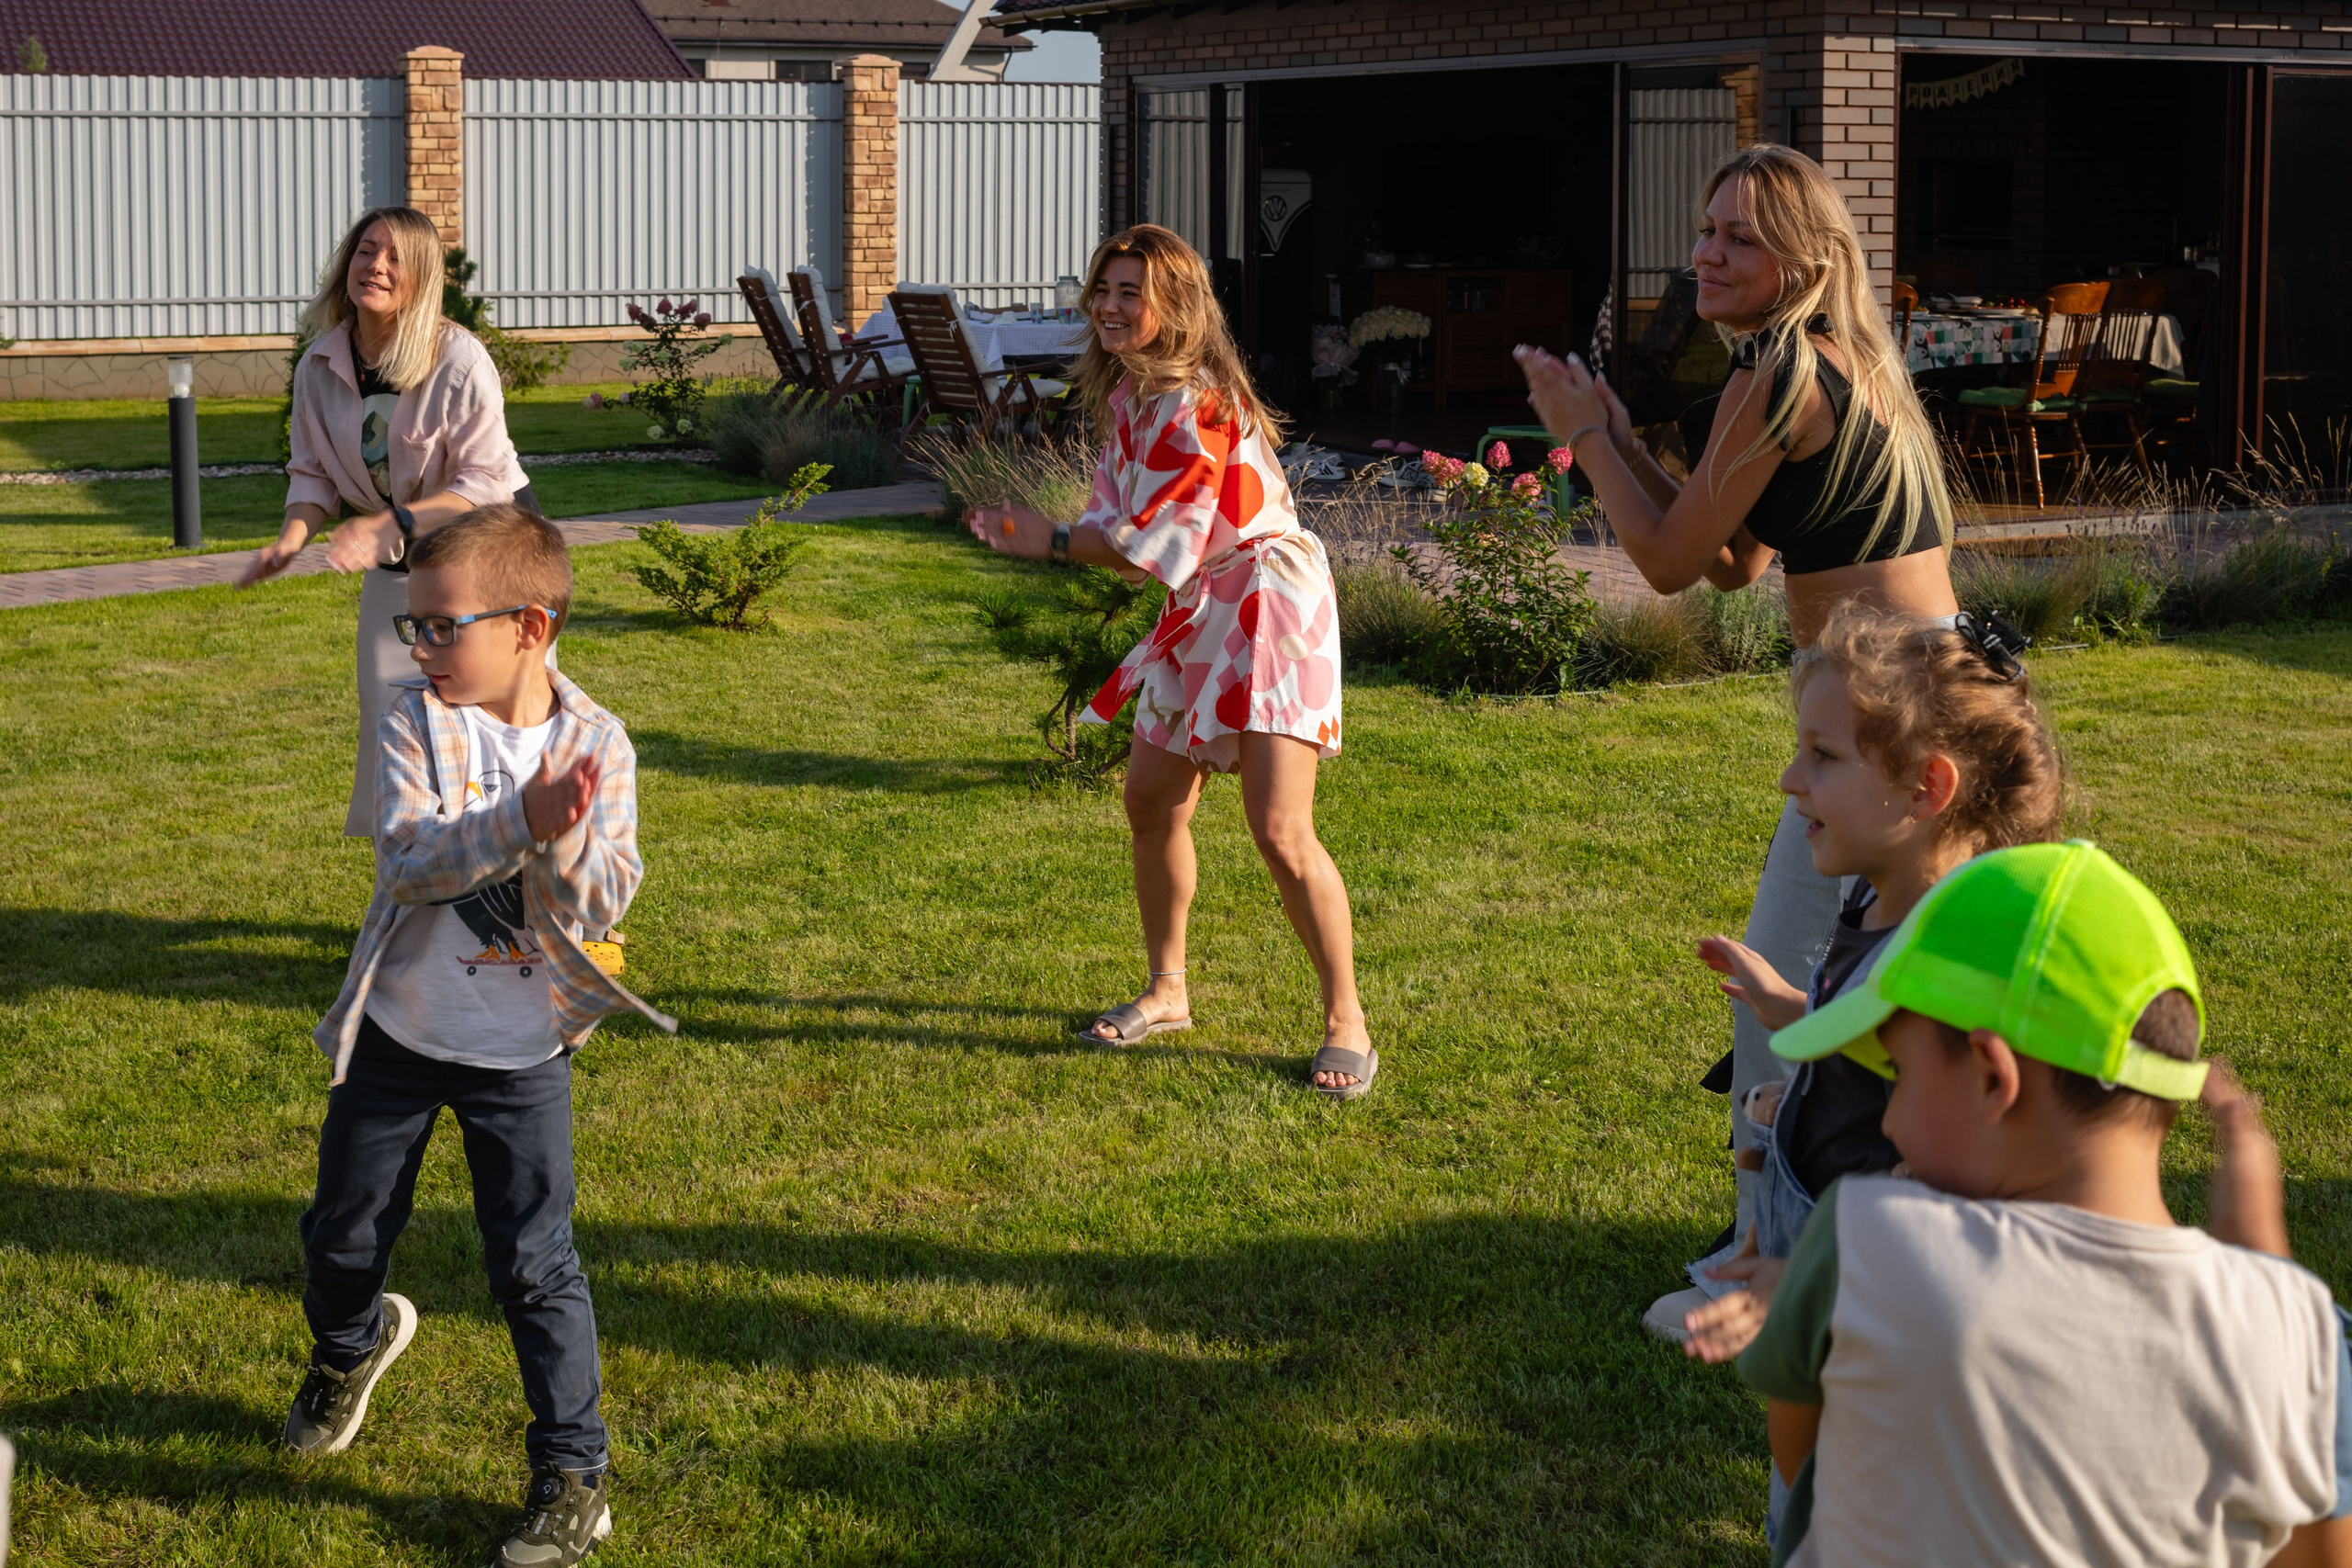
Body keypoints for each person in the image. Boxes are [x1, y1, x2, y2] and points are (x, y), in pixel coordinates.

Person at [1517, 143, 1962, 1308]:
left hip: (1883, 714)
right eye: (1706, 229)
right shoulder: (1821, 364)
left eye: (1740, 238)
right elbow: (1728, 562)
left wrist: (1582, 438)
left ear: (1802, 258)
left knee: (1782, 976)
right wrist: (1614, 431)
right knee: (1875, 970)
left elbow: (1663, 568)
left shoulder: (1780, 377)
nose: (1706, 253)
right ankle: (1852, 1227)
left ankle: (1761, 1261)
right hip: (1920, 690)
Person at [1736, 840, 2352, 1567]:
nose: (1891, 1119)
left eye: (1897, 1076)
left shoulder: (1867, 1239)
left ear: (1994, 1078)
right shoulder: (2299, 1329)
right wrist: (2265, 1273)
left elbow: (1801, 1452)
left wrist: (1803, 1289)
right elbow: (2317, 1554)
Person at [284, 506, 673, 1568]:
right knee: (341, 1237)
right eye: (415, 627)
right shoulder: (414, 718)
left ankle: (572, 1474)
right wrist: (521, 823)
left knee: (537, 1265)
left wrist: (566, 839)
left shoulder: (600, 743)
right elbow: (407, 864)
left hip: (523, 1059)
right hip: (400, 1038)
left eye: (442, 627)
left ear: (531, 627)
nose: (420, 648)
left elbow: (603, 905)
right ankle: (348, 1349)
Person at [963, 224, 1374, 1099]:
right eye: (1103, 290)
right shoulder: (1132, 402)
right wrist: (1046, 534)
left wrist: (1053, 542)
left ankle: (1347, 1022)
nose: (1109, 307)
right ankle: (1168, 988)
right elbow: (1118, 519)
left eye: (1130, 292)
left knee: (1279, 828)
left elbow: (1164, 543)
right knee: (1150, 797)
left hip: (1268, 597)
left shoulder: (1202, 400)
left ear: (1174, 307)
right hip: (1202, 604)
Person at [1642, 604, 2062, 1351]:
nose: (1788, 778)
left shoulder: (1956, 954)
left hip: (1883, 1281)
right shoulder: (1872, 894)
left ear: (1925, 787)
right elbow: (1877, 1036)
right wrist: (1794, 1021)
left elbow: (1949, 1160)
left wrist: (1810, 1265)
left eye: (1823, 756)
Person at [239, 205, 537, 837]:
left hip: (492, 562)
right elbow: (312, 472)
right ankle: (406, 892)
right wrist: (291, 540)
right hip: (400, 561)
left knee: (492, 731)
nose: (376, 265)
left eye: (396, 256)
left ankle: (532, 900)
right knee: (391, 729)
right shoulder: (319, 365)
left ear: (422, 275)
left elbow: (484, 483)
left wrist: (391, 521)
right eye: (366, 249)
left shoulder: (458, 359)